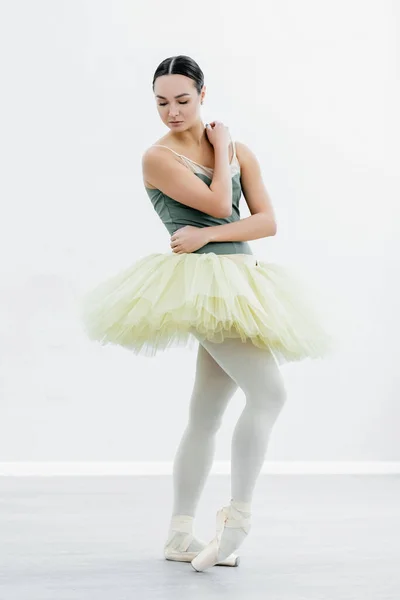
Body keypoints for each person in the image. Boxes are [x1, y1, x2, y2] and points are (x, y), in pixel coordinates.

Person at [77, 55, 335, 572]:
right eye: (161, 102)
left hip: (241, 278)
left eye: (182, 100)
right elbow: (221, 203)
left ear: (202, 96)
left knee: (206, 414)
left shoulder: (238, 151)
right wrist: (223, 154)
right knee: (270, 393)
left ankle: (179, 534)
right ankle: (237, 519)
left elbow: (266, 223)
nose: (171, 111)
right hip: (199, 286)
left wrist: (207, 233)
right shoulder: (158, 157)